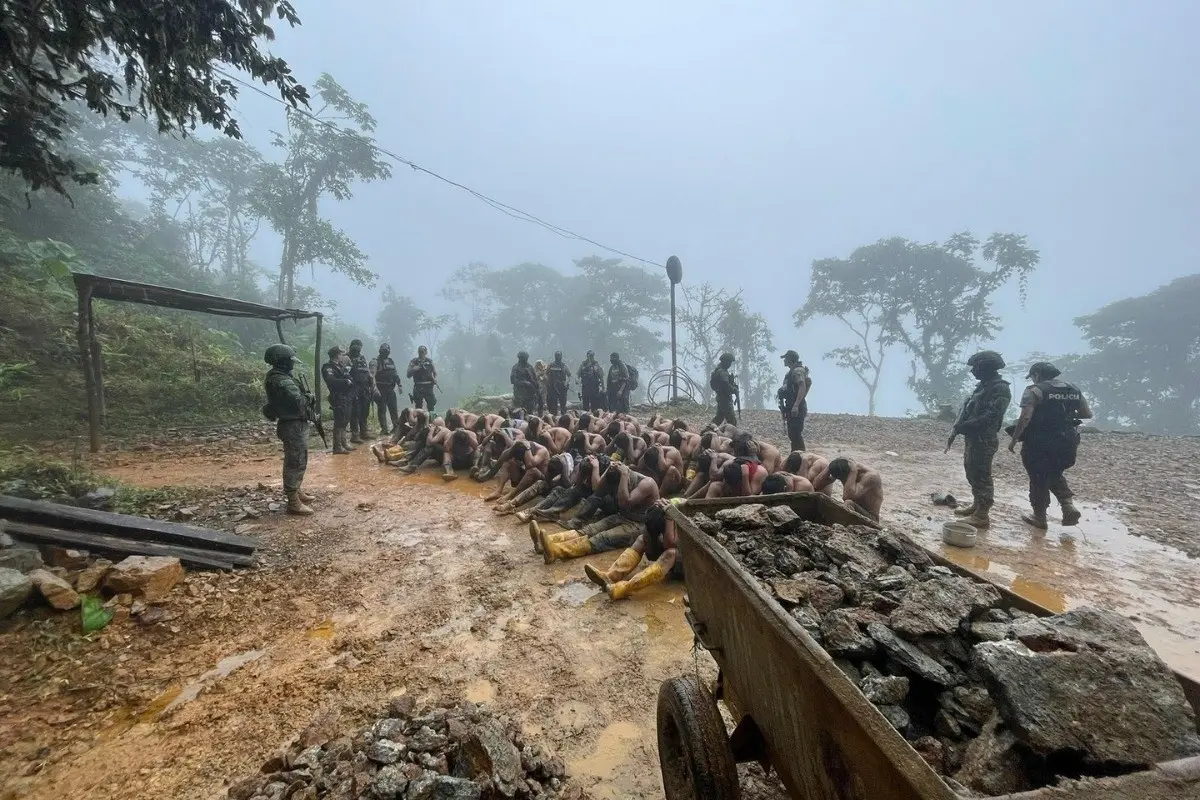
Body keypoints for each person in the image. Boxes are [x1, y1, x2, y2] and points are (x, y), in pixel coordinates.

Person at [1008, 361, 1090, 529]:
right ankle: (1068, 505)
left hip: (1040, 441)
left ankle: (1039, 517)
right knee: (1054, 472)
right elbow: (1086, 413)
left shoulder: (1034, 390)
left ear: (1037, 375)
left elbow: (1025, 418)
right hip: (1067, 441)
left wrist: (1014, 439)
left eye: (1032, 376)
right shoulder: (1073, 389)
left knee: (1038, 477)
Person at [537, 459, 659, 563]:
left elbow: (624, 502)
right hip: (622, 516)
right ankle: (547, 541)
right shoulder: (615, 477)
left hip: (639, 524)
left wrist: (624, 476)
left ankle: (557, 551)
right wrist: (607, 471)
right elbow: (597, 490)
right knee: (589, 529)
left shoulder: (646, 483)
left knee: (602, 538)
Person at [948, 350, 1012, 529]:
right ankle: (977, 505)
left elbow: (992, 415)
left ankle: (982, 514)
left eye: (976, 367)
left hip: (984, 438)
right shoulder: (983, 386)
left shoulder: (1000, 388)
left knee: (981, 475)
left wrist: (968, 425)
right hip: (974, 438)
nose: (973, 371)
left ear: (985, 367)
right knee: (971, 471)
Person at [585, 500, 683, 601]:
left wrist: (669, 517)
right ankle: (611, 576)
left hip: (689, 562)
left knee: (671, 553)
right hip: (670, 529)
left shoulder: (684, 515)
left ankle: (625, 589)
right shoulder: (674, 503)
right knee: (641, 539)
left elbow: (670, 544)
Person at [262, 344, 316, 515]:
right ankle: (293, 501)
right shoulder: (281, 379)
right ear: (282, 361)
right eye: (290, 360)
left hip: (294, 423)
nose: (292, 364)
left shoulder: (280, 376)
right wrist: (309, 397)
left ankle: (297, 491)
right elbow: (298, 401)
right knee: (295, 461)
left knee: (300, 458)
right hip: (292, 424)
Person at [813, 457, 883, 521]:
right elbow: (815, 485)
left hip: (871, 518)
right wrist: (830, 467)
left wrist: (853, 471)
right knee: (821, 498)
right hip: (853, 511)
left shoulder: (870, 476)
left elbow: (847, 497)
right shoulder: (844, 469)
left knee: (848, 503)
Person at [321, 345, 355, 454]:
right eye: (341, 354)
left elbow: (350, 378)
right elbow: (331, 380)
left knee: (345, 420)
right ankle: (337, 446)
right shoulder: (328, 367)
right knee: (339, 421)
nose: (342, 356)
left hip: (346, 396)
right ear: (336, 355)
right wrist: (345, 381)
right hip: (338, 397)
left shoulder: (340, 366)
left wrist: (347, 380)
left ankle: (344, 442)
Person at [777, 350, 812, 451]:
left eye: (786, 358)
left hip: (796, 406)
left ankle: (799, 456)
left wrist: (796, 405)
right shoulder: (792, 372)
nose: (784, 361)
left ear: (790, 360)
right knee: (792, 434)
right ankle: (796, 455)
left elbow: (802, 386)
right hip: (791, 405)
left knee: (796, 434)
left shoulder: (797, 371)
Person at [346, 339, 375, 443]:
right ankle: (355, 435)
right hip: (354, 388)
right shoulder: (346, 357)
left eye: (359, 346)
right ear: (351, 346)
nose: (358, 347)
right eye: (356, 345)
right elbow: (345, 373)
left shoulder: (362, 358)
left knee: (364, 411)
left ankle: (364, 432)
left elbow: (367, 371)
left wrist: (371, 382)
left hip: (365, 388)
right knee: (355, 412)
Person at [371, 343, 401, 436]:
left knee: (393, 409)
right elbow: (372, 376)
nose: (385, 352)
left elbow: (395, 374)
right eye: (384, 350)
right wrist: (374, 389)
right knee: (382, 410)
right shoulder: (376, 362)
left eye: (387, 350)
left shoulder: (391, 361)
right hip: (381, 389)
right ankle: (384, 429)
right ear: (380, 351)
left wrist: (399, 384)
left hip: (390, 389)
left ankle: (396, 428)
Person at [709, 352, 739, 426]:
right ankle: (733, 436)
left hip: (721, 397)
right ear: (726, 361)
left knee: (719, 418)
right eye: (729, 362)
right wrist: (734, 389)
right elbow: (726, 385)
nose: (730, 364)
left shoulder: (719, 370)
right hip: (725, 399)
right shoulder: (722, 372)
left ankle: (707, 431)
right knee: (732, 421)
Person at [406, 345, 438, 411]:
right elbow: (408, 374)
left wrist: (434, 379)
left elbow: (434, 372)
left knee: (431, 407)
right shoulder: (414, 361)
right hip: (418, 387)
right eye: (420, 352)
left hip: (428, 387)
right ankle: (419, 420)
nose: (421, 353)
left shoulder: (429, 361)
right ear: (418, 352)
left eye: (423, 352)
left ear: (426, 352)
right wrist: (415, 368)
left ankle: (431, 420)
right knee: (418, 408)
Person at [546, 351, 572, 416]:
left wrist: (566, 383)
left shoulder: (564, 366)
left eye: (559, 355)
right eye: (556, 355)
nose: (558, 357)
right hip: (553, 388)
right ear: (554, 356)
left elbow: (569, 375)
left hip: (562, 388)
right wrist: (549, 383)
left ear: (561, 356)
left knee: (563, 405)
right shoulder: (551, 365)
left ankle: (564, 419)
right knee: (553, 405)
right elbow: (546, 374)